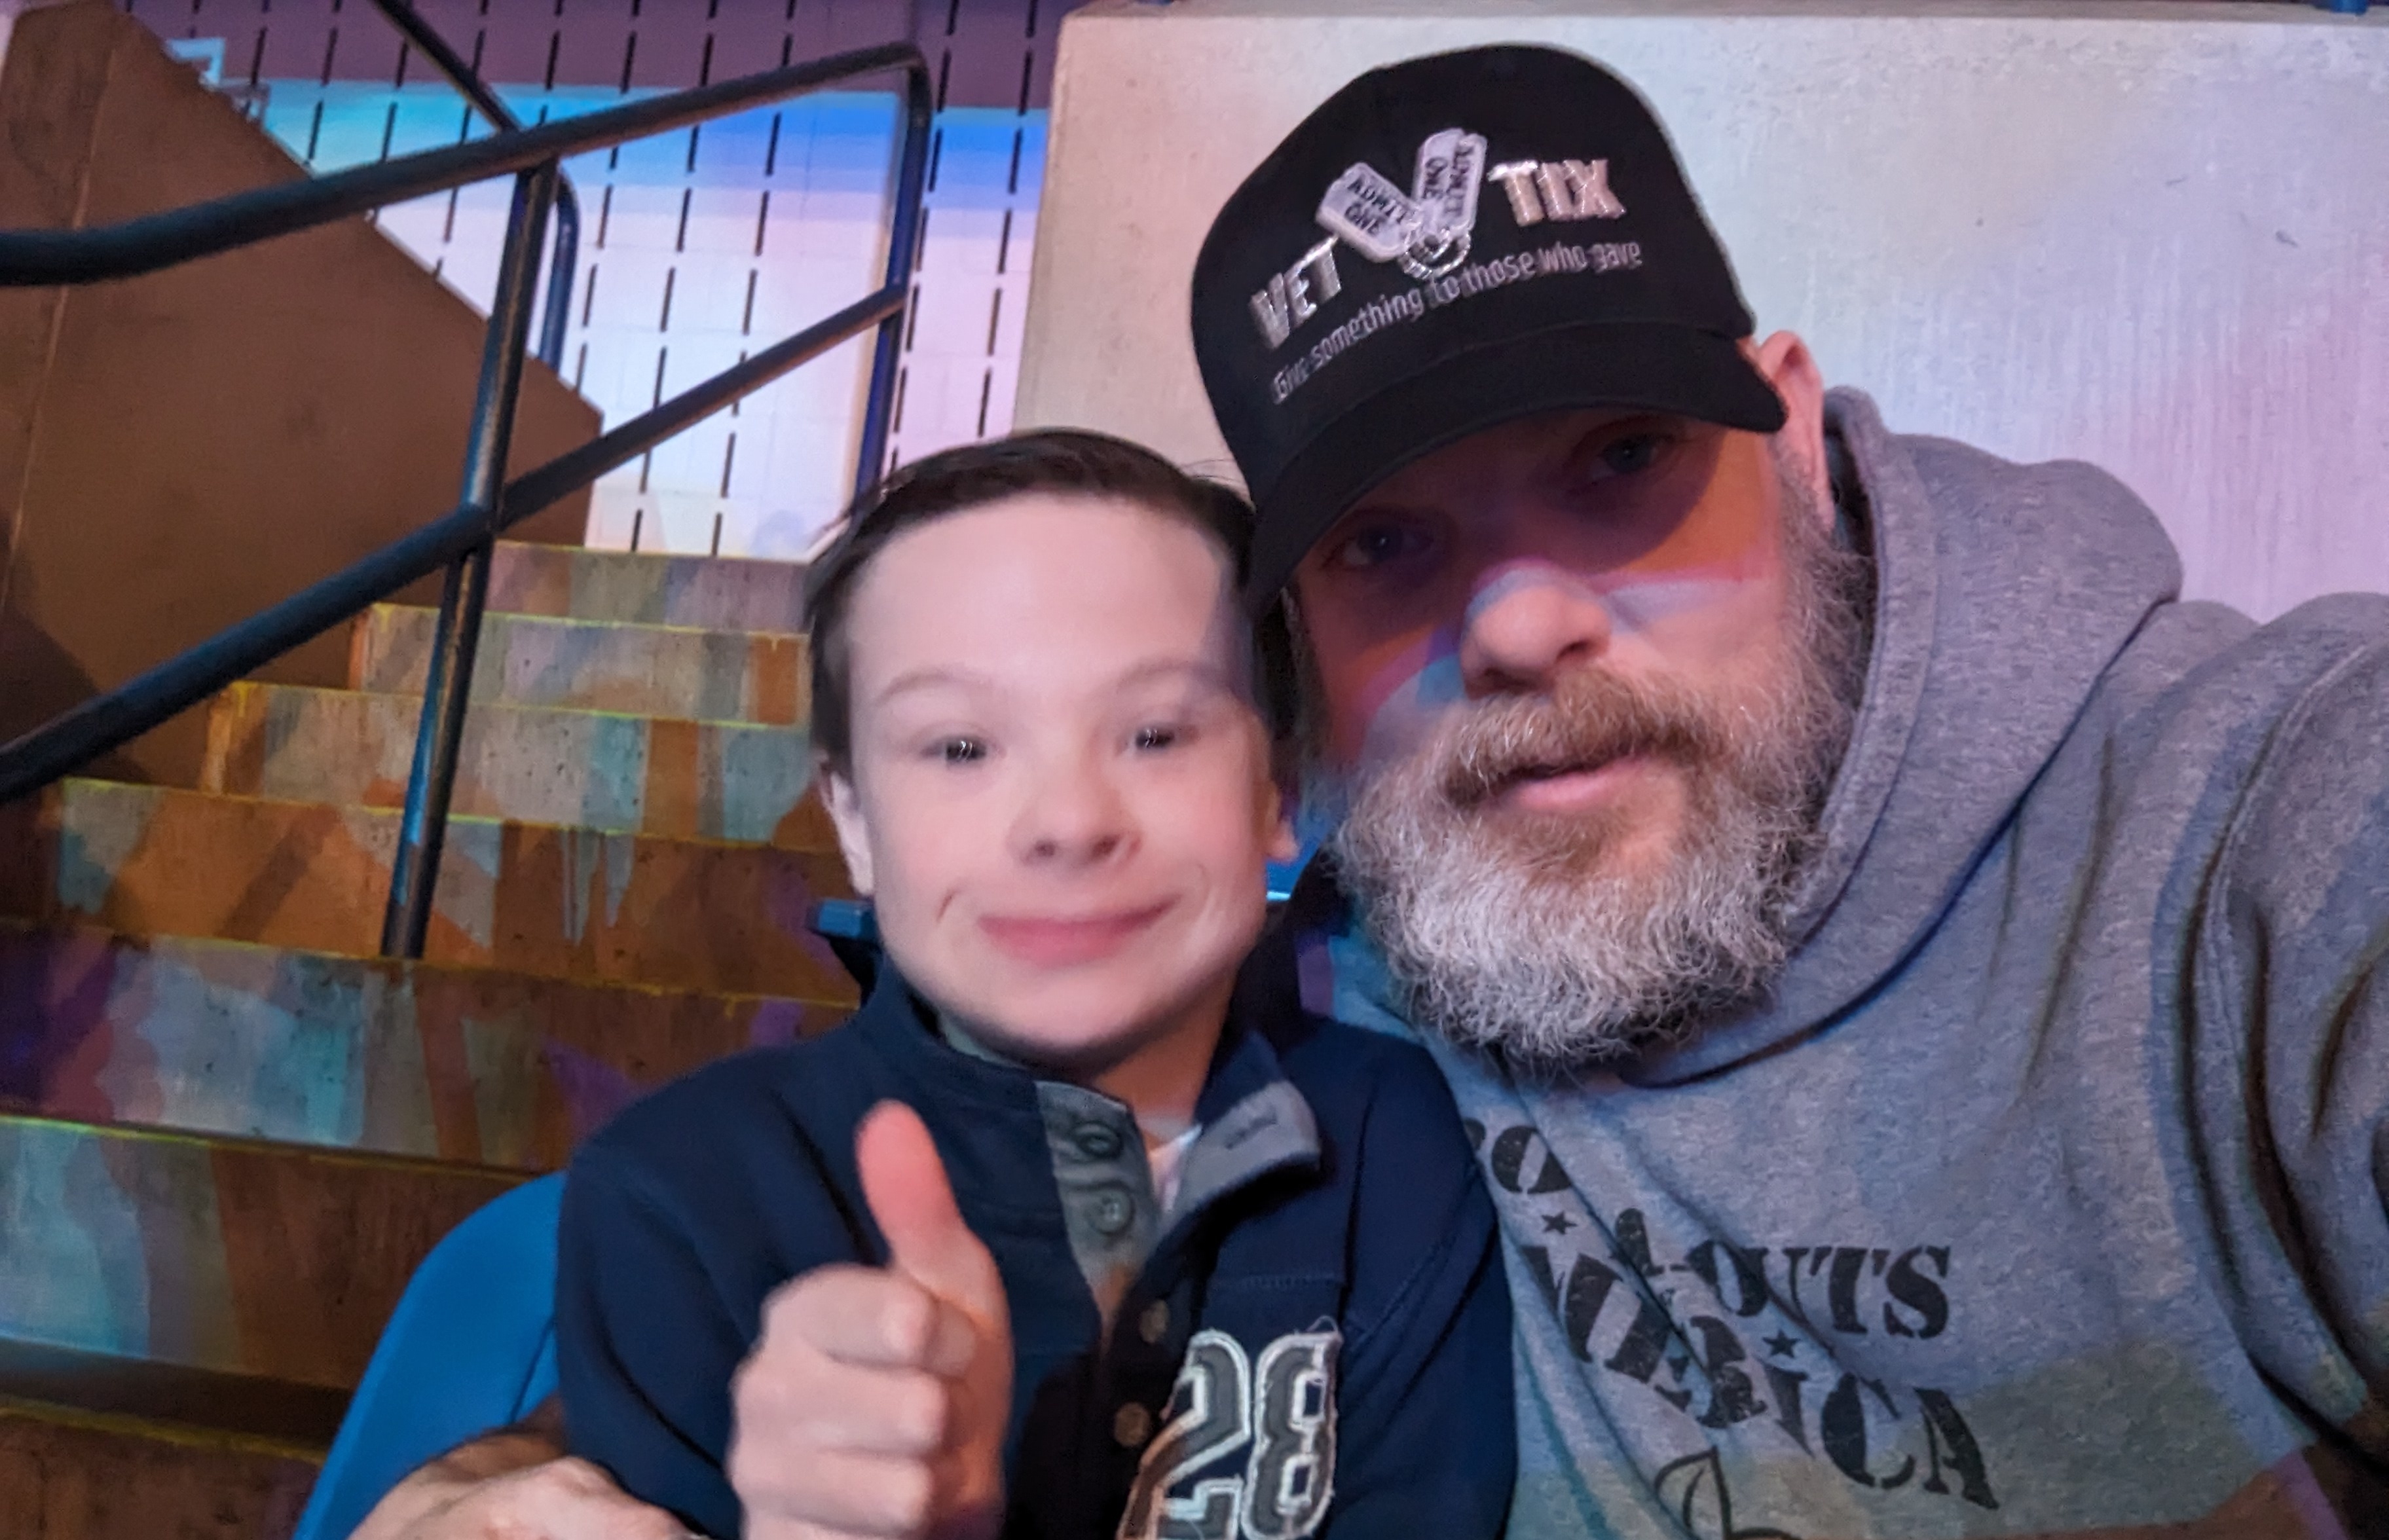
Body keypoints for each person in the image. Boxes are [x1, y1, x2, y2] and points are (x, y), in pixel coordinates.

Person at [351, 42, 2389, 1540]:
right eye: (1389, 546)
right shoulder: (1362, 943)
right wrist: (527, 1475)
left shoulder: (2257, 842)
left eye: (1617, 462)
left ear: (1785, 433)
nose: (1519, 623)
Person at [541, 431, 1510, 1540]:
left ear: (1277, 793)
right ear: (850, 814)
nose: (1068, 822)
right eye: (960, 748)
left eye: (1156, 734)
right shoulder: (680, 1199)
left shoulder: (1397, 1143)